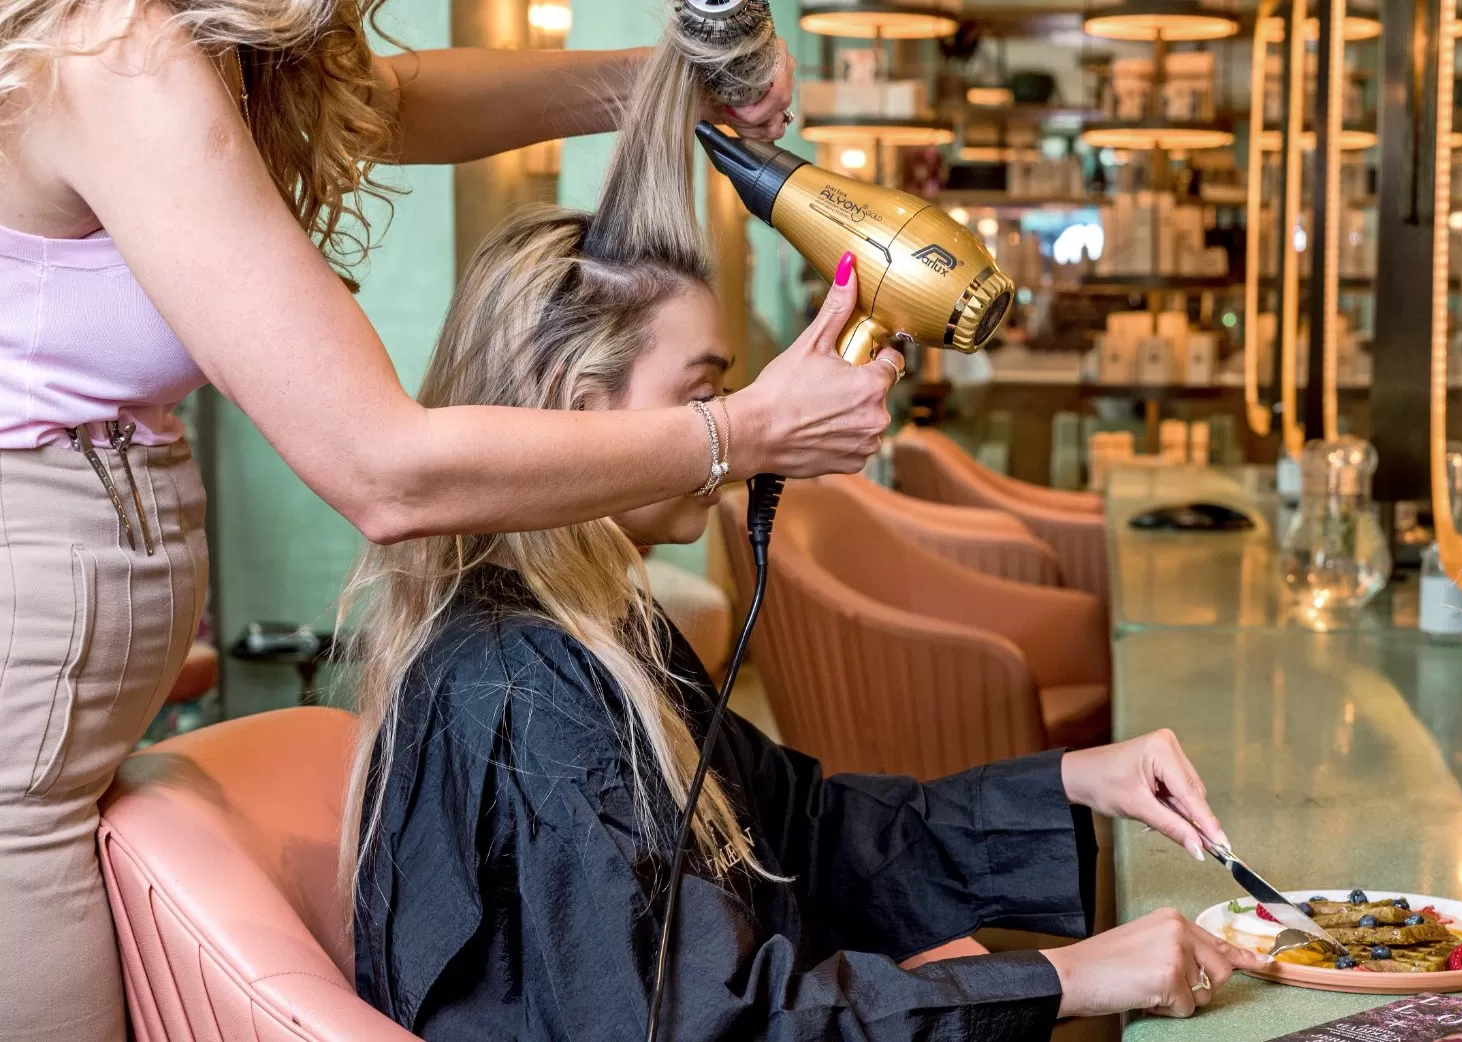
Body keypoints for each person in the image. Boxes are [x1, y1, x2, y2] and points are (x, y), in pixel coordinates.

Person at [345, 24, 1263, 1038]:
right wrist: (1067, 979)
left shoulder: (599, 636)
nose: (731, 422)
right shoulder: (529, 695)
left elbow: (810, 834)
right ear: (577, 402)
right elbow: (711, 1027)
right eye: (705, 392)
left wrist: (1076, 777)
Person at [0, 0, 891, 1037]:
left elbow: (385, 99)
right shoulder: (121, 55)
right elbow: (384, 470)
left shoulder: (219, 56)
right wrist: (737, 430)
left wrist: (662, 80)